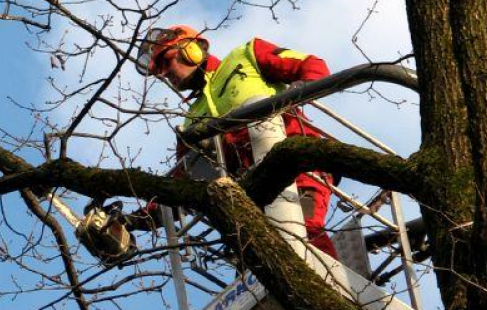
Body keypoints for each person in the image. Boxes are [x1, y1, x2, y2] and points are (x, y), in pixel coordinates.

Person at [135, 25, 338, 258]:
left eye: (165, 61)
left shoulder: (247, 56)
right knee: (258, 260)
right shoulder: (191, 122)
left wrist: (294, 94)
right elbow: (182, 185)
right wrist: (133, 221)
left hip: (298, 167)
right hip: (253, 195)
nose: (163, 73)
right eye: (158, 70)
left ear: (191, 49)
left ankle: (337, 293)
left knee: (303, 232)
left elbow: (312, 66)